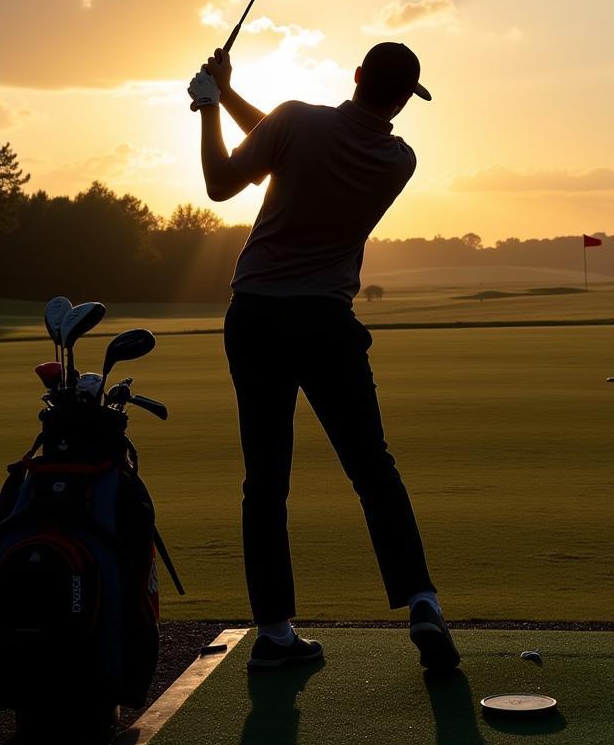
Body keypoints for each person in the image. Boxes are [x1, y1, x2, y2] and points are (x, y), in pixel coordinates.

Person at [187, 42, 460, 673]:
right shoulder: (399, 159)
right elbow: (289, 143)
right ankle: (421, 601)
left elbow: (224, 182)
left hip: (256, 316)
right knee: (372, 467)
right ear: (400, 99)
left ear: (357, 75)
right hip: (327, 324)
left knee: (266, 479)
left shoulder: (295, 120)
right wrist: (227, 95)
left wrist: (207, 105)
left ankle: (276, 634)